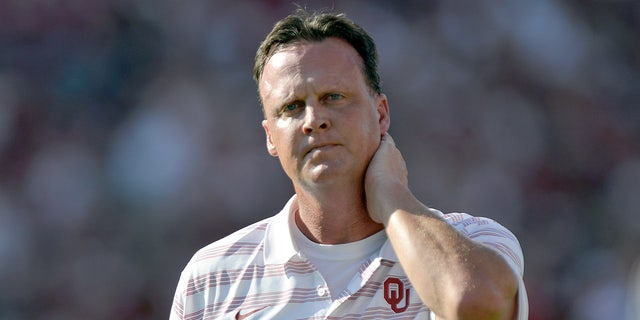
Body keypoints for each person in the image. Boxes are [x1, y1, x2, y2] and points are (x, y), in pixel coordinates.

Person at [170, 9, 528, 320]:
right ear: (270, 137)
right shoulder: (212, 277)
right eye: (291, 107)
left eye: (334, 97)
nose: (313, 119)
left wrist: (391, 195)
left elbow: (479, 306)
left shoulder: (471, 240)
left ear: (381, 114)